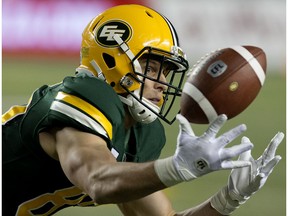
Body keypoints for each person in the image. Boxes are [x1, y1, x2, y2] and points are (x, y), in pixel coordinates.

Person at [2, 4, 284, 216]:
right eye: (151, 68)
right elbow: (97, 181)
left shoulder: (141, 134)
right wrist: (177, 167)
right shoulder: (86, 96)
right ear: (113, 59)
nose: (162, 84)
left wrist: (228, 199)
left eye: (166, 72)